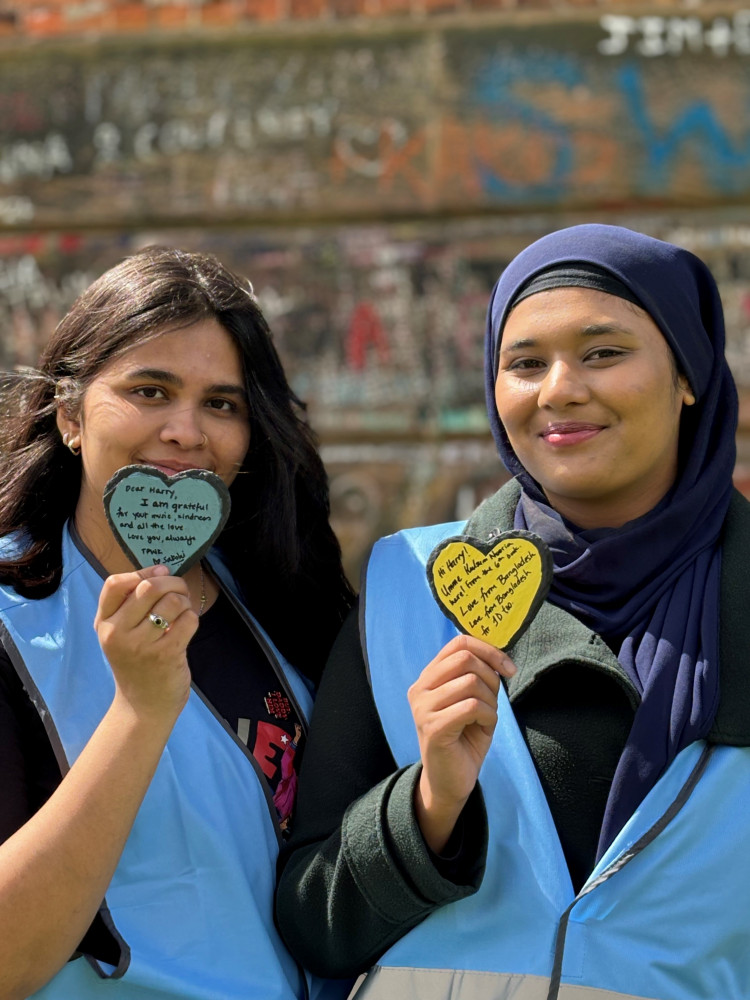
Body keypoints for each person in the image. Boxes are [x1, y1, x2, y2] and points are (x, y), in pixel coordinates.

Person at [276, 224, 750, 1000]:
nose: (559, 388)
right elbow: (313, 925)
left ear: (689, 373)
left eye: (603, 352)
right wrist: (428, 806)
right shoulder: (409, 587)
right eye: (524, 363)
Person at [0, 246, 354, 1000]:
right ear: (69, 415)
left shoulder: (285, 597)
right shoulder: (9, 624)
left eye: (221, 404)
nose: (186, 431)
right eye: (150, 391)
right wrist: (140, 711)